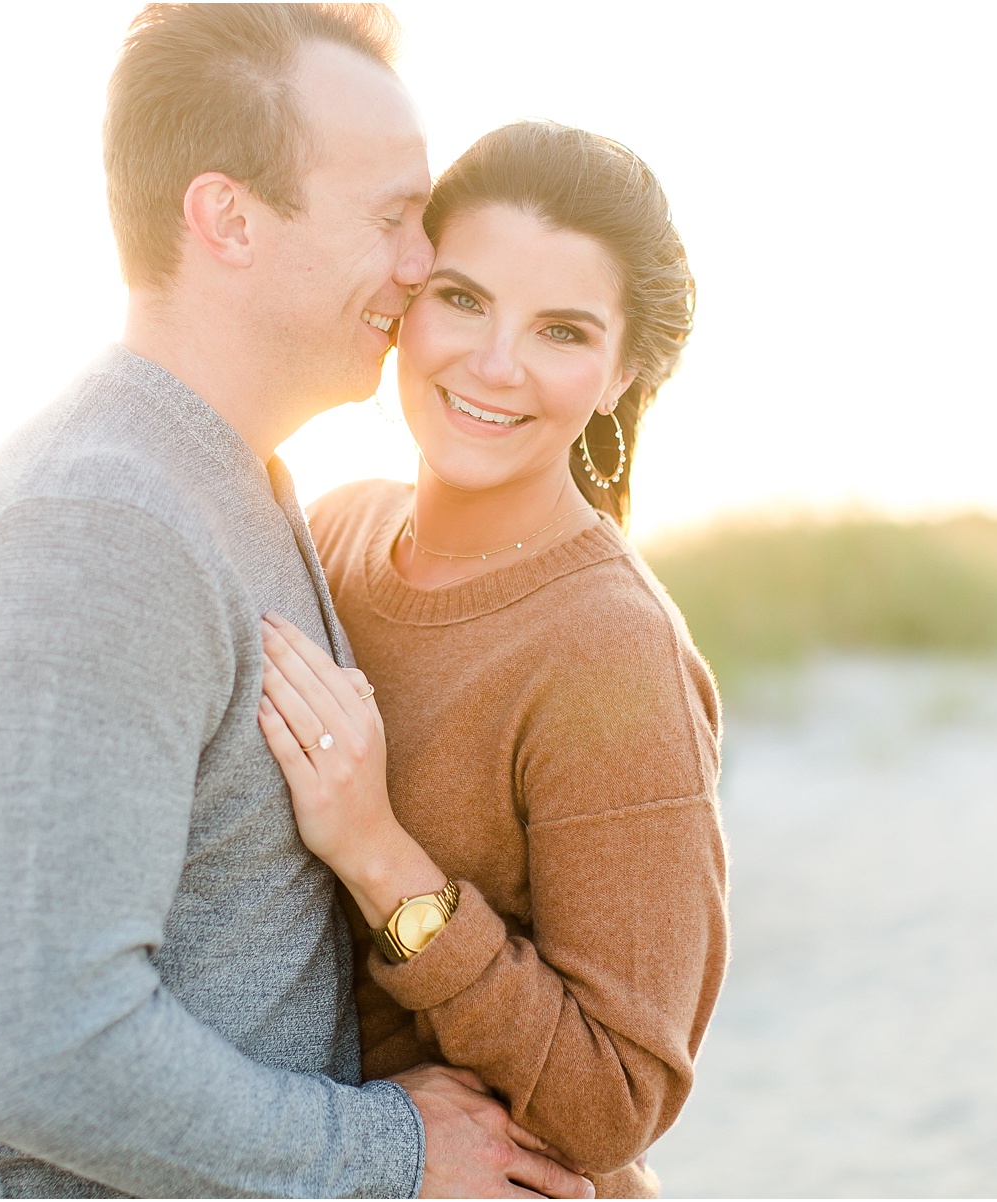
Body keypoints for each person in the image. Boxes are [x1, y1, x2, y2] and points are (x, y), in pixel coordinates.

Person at [0, 7, 593, 1197]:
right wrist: (392, 1151)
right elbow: (47, 1048)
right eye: (392, 217)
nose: (422, 264)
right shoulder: (100, 530)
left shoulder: (233, 480)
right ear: (228, 218)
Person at [255, 121, 730, 1198]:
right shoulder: (330, 532)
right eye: (462, 299)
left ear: (621, 374)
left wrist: (381, 855)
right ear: (404, 297)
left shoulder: (611, 648)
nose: (496, 362)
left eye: (561, 330)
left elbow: (614, 1103)